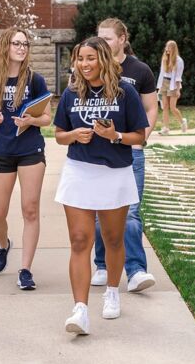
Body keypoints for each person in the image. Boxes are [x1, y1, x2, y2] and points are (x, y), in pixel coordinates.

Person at [54, 36, 148, 335]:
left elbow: (140, 136)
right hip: (79, 171)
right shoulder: (71, 94)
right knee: (80, 240)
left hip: (114, 174)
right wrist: (74, 135)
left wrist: (114, 136)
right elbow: (58, 133)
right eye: (80, 59)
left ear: (103, 59)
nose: (84, 64)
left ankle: (111, 291)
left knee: (113, 239)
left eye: (90, 58)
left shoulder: (126, 93)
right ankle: (80, 310)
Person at [0, 27, 51, 290]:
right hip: (1, 151)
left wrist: (32, 119)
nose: (21, 47)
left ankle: (25, 270)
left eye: (25, 43)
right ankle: (3, 244)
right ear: (5, 47)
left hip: (30, 150)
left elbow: (47, 117)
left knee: (30, 210)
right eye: (16, 43)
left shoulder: (35, 80)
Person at [93, 18, 158, 292]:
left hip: (130, 150)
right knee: (99, 210)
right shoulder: (91, 67)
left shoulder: (139, 70)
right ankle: (102, 265)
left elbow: (151, 108)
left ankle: (136, 271)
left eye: (107, 38)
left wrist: (142, 138)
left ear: (122, 39)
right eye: (99, 38)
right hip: (98, 153)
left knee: (130, 211)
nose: (102, 43)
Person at [156, 40, 187, 135]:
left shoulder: (179, 61)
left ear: (173, 48)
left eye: (168, 47)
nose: (166, 49)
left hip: (173, 84)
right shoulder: (164, 58)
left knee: (172, 107)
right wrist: (159, 87)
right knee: (165, 107)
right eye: (166, 47)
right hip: (164, 83)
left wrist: (178, 89)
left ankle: (182, 122)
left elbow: (178, 76)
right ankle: (165, 128)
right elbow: (162, 73)